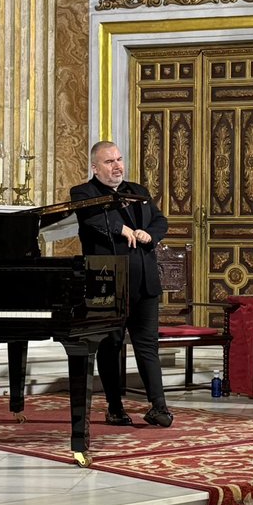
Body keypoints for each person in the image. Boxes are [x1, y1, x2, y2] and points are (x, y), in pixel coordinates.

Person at [71, 141, 173, 428]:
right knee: (110, 345)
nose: (117, 166)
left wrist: (148, 235)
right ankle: (114, 407)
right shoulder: (83, 192)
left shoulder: (137, 191)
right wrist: (121, 229)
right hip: (107, 283)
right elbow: (91, 219)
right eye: (108, 162)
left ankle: (159, 407)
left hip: (145, 284)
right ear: (95, 167)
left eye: (119, 159)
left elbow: (161, 220)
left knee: (147, 346)